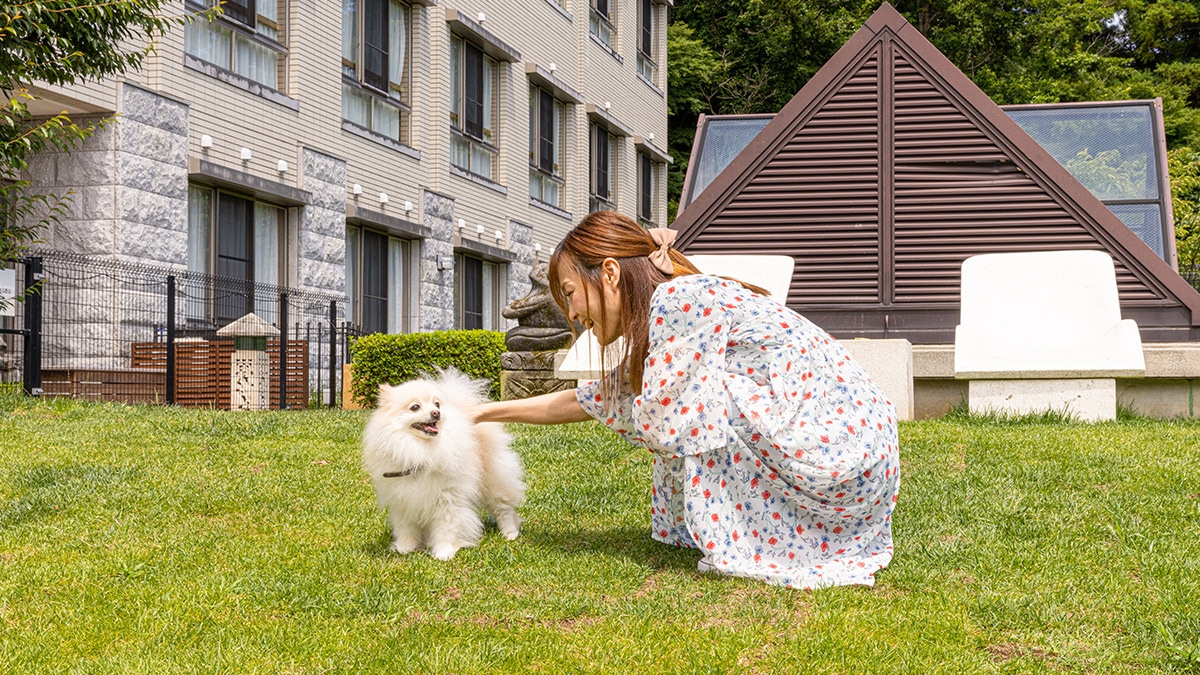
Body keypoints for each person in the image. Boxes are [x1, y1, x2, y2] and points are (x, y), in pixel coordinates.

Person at [474, 211, 899, 589]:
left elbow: (662, 423)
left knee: (688, 407)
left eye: (569, 292)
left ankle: (753, 535)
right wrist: (481, 413)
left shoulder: (677, 302)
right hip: (854, 445)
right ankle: (733, 525)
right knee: (676, 398)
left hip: (841, 450)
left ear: (609, 273)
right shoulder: (668, 315)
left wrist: (645, 407)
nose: (570, 312)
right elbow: (589, 400)